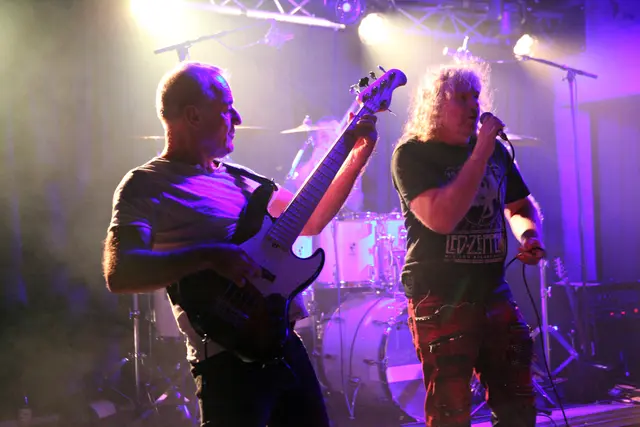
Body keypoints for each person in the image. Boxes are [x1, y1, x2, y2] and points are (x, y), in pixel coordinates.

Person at [102, 61, 378, 427]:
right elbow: (121, 273)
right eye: (226, 107)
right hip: (224, 360)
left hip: (285, 345)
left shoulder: (247, 182)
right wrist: (208, 256)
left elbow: (311, 221)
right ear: (193, 115)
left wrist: (356, 155)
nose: (238, 118)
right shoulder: (145, 184)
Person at [390, 63, 544, 427]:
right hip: (439, 297)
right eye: (461, 97)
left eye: (475, 96)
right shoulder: (412, 154)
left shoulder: (494, 152)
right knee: (451, 409)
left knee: (518, 399)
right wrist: (479, 155)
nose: (473, 105)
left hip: (493, 290)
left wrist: (529, 235)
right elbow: (441, 218)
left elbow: (519, 205)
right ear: (435, 104)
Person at [285, 117, 364, 212]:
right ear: (315, 141)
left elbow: (355, 205)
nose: (330, 142)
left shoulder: (350, 164)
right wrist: (313, 163)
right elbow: (293, 194)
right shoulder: (303, 167)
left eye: (335, 137)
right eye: (324, 137)